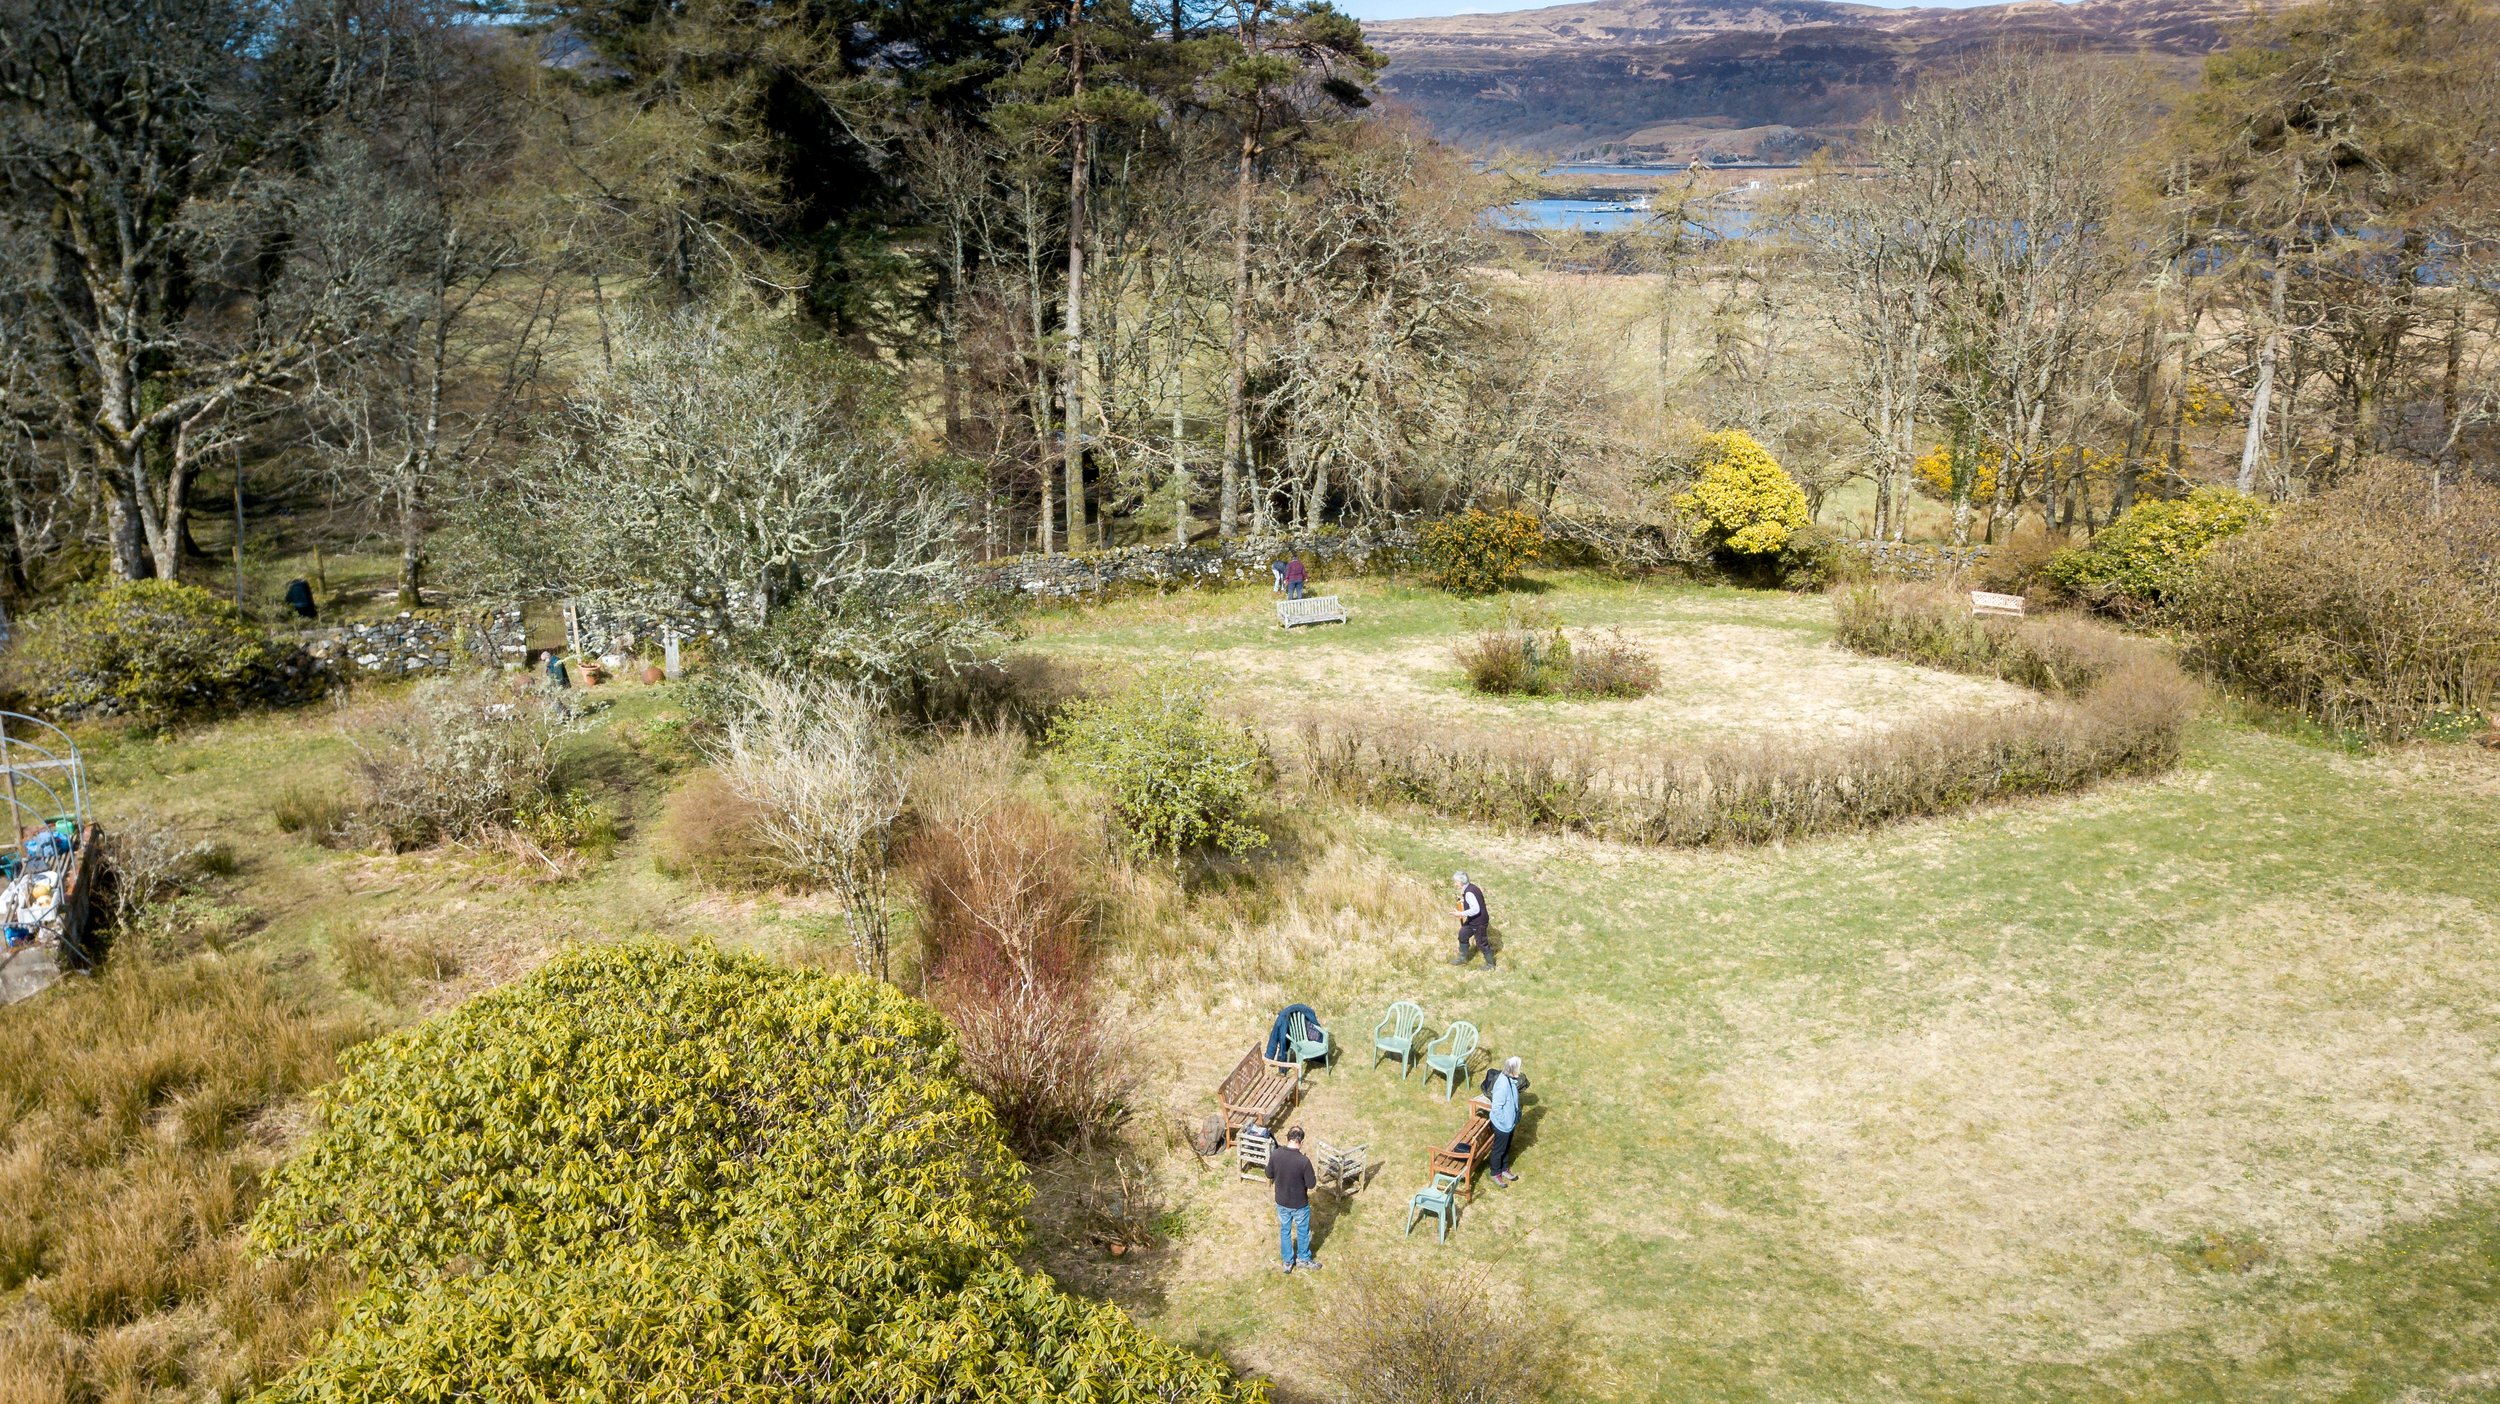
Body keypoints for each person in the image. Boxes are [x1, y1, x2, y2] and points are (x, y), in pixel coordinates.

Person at [1267, 1124, 1320, 1273]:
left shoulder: (1276, 1154)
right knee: (1303, 1231)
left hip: (1281, 1202)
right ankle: (1303, 1258)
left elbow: (1268, 1174)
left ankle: (1287, 1262)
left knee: (1285, 1230)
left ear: (1288, 1138)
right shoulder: (1303, 1161)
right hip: (1299, 1205)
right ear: (1301, 1142)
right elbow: (1311, 1184)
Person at [1487, 1056, 1524, 1186]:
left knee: (1506, 1147)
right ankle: (1495, 1172)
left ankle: (1504, 1169)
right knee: (1499, 1149)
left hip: (1509, 1123)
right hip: (1502, 1125)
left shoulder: (1510, 1080)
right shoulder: (1502, 1085)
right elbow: (1496, 1108)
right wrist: (1505, 1122)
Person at [1451, 870, 1493, 969]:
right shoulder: (1472, 888)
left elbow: (1475, 909)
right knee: (1463, 934)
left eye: (1456, 882)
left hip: (1479, 922)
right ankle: (1463, 958)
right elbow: (1474, 901)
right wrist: (1463, 901)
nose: (1455, 884)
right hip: (1472, 920)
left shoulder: (1469, 892)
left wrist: (1460, 913)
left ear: (1461, 882)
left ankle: (1490, 965)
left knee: (1481, 943)